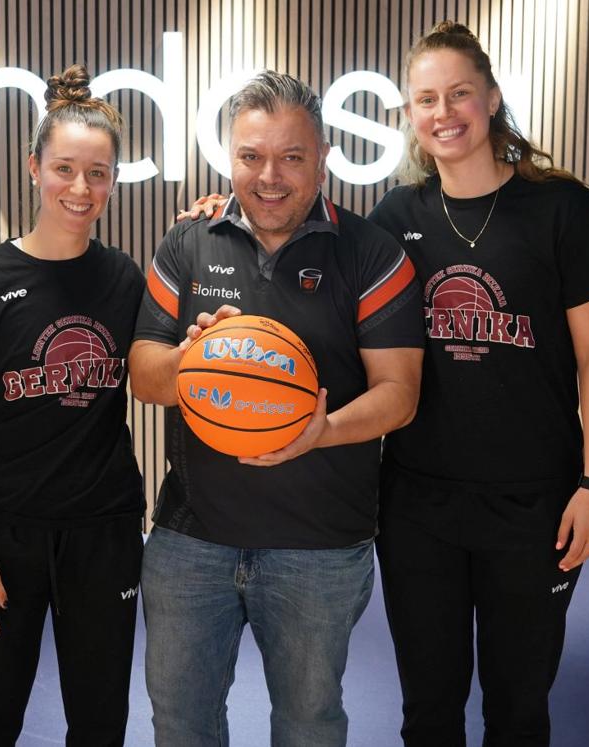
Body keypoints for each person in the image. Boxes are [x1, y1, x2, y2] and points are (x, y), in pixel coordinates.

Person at [129, 71, 424, 747]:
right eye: (251, 156)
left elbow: (400, 394)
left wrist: (321, 432)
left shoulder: (369, 253)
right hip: (190, 539)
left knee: (308, 727)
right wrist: (191, 360)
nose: (269, 177)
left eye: (292, 157)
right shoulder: (187, 242)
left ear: (322, 158)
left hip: (318, 545)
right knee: (181, 725)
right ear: (228, 156)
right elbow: (144, 375)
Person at [366, 22, 589, 746]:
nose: (443, 112)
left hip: (534, 503)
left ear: (492, 99)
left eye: (459, 94)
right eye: (426, 98)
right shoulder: (396, 218)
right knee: (428, 711)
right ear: (411, 115)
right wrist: (220, 215)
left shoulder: (560, 208)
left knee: (518, 710)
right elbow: (309, 254)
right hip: (418, 504)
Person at [0, 65, 145, 746]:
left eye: (98, 173)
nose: (82, 189)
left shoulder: (124, 279)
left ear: (113, 178)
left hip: (103, 536)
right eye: (66, 169)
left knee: (100, 725)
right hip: (3, 537)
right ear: (33, 167)